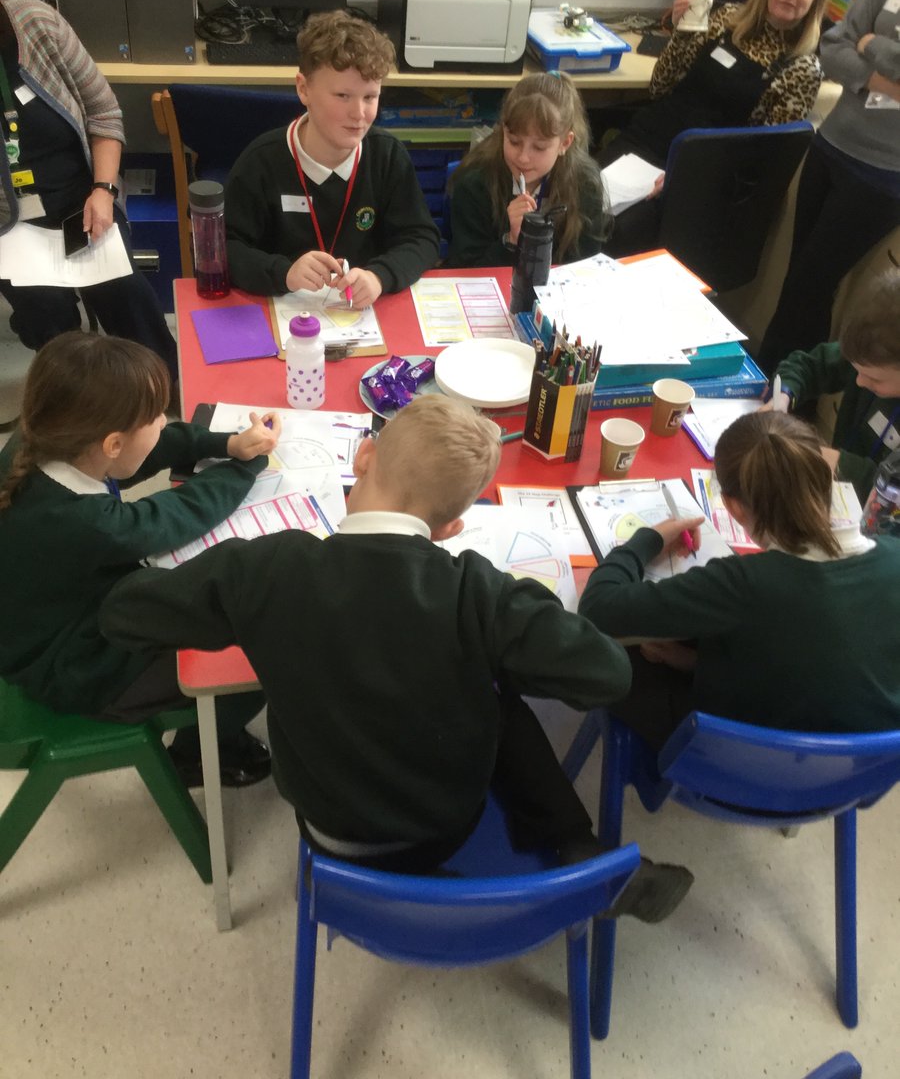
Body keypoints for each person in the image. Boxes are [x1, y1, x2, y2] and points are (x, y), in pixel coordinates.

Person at [100, 394, 692, 921]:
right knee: (498, 691)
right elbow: (608, 674)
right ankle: (577, 847)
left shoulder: (265, 570)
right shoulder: (477, 593)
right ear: (452, 526)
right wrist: (518, 614)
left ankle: (577, 847)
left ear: (362, 457)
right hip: (445, 826)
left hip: (333, 837)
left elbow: (125, 615)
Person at [0, 332, 282, 787]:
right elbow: (168, 517)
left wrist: (226, 443)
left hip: (47, 624)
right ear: (111, 444)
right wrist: (245, 467)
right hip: (77, 668)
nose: (162, 423)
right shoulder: (86, 522)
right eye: (154, 416)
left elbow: (152, 450)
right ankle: (200, 753)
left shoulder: (46, 440)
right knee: (253, 653)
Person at [579, 411, 900, 753]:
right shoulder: (892, 557)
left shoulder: (741, 584)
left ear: (733, 507)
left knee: (608, 654)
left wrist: (647, 540)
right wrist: (694, 663)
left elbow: (597, 609)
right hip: (852, 778)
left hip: (731, 768)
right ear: (829, 478)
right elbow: (828, 660)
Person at [598, 0, 827, 258]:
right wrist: (682, 30)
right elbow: (660, 86)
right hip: (645, 142)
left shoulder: (802, 68)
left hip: (696, 175)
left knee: (617, 234)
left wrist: (686, 177)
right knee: (580, 203)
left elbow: (762, 158)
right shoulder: (726, 18)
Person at [0, 0, 177, 379]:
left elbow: (104, 113)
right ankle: (81, 406)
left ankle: (163, 391)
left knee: (129, 301)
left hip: (83, 200)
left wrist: (103, 190)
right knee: (49, 324)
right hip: (10, 227)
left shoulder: (36, 24)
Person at [225, 9, 440, 309]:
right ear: (304, 89)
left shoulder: (387, 157)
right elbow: (228, 249)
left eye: (370, 97)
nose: (359, 114)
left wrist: (380, 277)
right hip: (283, 316)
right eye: (342, 96)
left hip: (363, 317)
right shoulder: (261, 163)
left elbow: (422, 239)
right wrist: (284, 272)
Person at [758, 0, 900, 375]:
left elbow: (859, 44)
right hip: (832, 146)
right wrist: (881, 74)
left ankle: (768, 394)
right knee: (801, 281)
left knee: (809, 284)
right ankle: (790, 399)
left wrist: (872, 43)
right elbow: (834, 45)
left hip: (882, 174)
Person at [445, 71, 610, 268]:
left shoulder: (584, 184)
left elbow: (586, 268)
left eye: (539, 147)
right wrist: (511, 241)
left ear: (564, 143)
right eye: (514, 142)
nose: (523, 157)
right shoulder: (474, 183)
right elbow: (465, 270)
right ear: (503, 131)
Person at [770, 266, 900, 502]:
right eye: (855, 369)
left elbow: (893, 486)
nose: (859, 381)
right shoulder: (871, 354)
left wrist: (826, 458)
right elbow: (809, 365)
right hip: (836, 490)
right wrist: (783, 396)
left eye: (874, 379)